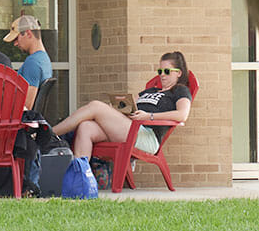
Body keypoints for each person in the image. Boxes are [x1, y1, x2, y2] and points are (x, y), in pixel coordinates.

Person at [50, 52, 194, 158]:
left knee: (95, 105)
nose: (162, 75)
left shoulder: (180, 90)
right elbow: (130, 103)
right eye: (160, 71)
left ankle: (50, 133)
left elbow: (182, 115)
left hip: (147, 136)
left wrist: (149, 116)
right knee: (85, 127)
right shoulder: (151, 90)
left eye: (167, 71)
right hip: (129, 127)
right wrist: (118, 109)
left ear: (179, 73)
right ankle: (81, 179)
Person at [3, 15, 48, 111]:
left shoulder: (32, 63)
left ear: (28, 33)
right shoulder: (44, 59)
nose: (15, 43)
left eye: (16, 38)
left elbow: (26, 108)